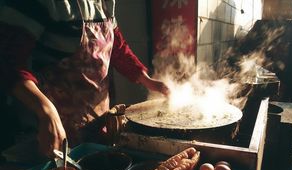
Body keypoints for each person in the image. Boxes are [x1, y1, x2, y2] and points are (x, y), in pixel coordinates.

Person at [0, 0, 169, 159]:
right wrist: (46, 111)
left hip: (98, 124)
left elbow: (117, 46)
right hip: (53, 130)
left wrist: (147, 80)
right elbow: (7, 61)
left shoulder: (104, 3)